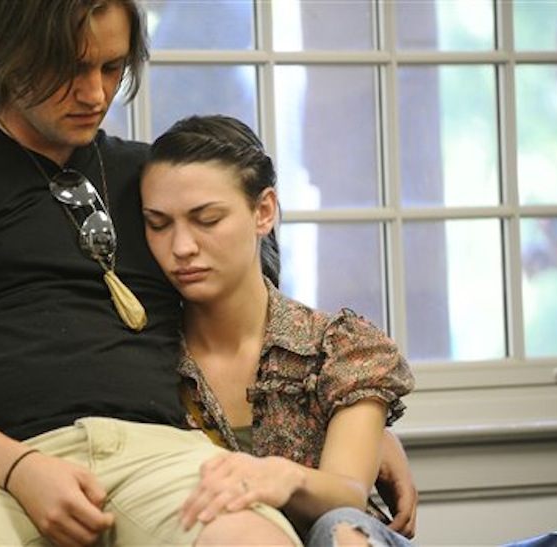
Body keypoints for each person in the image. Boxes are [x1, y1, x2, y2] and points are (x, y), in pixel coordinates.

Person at [0, 1, 416, 545]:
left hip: (156, 454)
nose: (95, 93)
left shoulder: (152, 182)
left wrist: (355, 422)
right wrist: (20, 467)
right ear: (4, 47)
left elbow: (248, 304)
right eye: (68, 67)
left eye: (112, 67)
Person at [139, 114, 416, 545]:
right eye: (158, 224)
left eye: (207, 219)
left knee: (338, 526)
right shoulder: (137, 356)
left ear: (263, 211)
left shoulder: (339, 348)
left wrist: (282, 477)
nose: (181, 247)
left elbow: (349, 492)